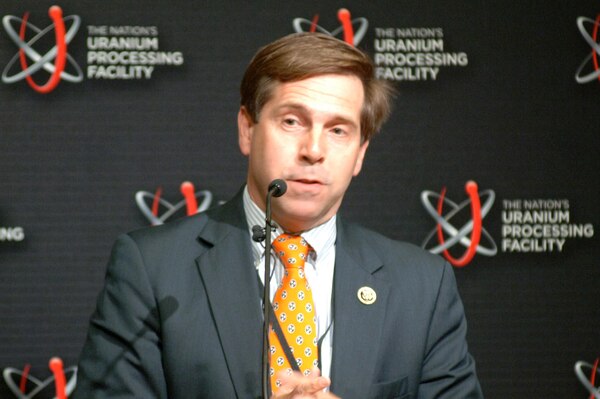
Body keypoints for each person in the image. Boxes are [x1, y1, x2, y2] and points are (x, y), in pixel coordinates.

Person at [73, 32, 483, 399]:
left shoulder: (423, 286)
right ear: (247, 129)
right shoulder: (153, 268)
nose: (313, 150)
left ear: (360, 153)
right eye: (292, 121)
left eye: (338, 130)